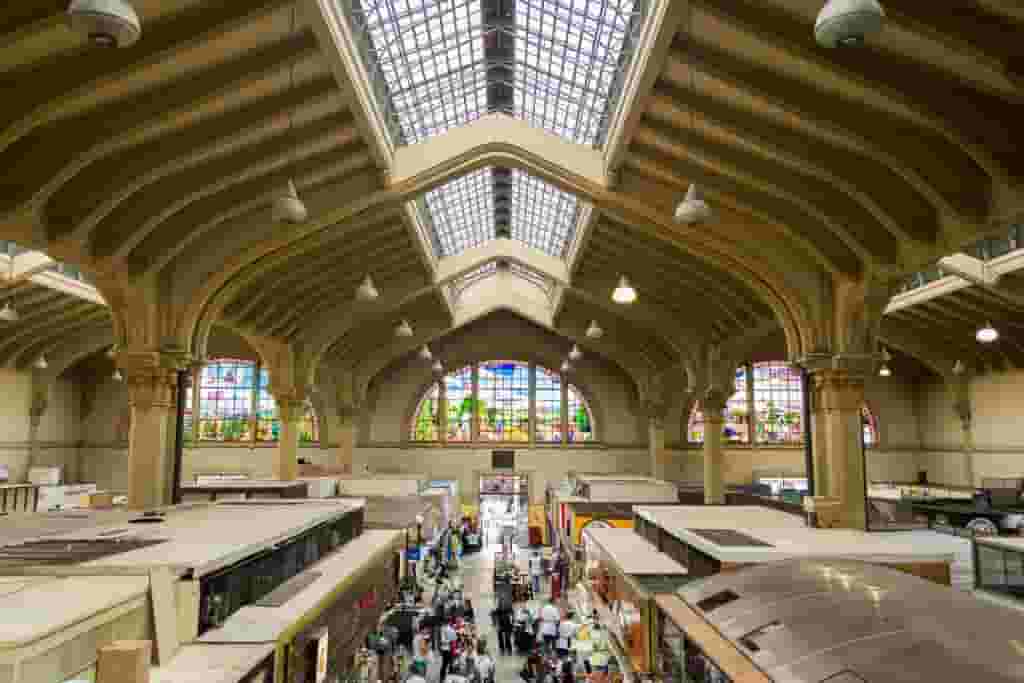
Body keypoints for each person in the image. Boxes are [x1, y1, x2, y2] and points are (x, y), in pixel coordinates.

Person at [439, 617, 458, 682]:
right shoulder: (448, 629)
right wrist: (450, 640)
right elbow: (453, 638)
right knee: (449, 664)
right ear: (449, 622)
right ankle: (448, 678)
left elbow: (442, 640)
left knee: (445, 664)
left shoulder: (444, 628)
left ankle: (442, 678)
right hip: (448, 649)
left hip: (446, 649)